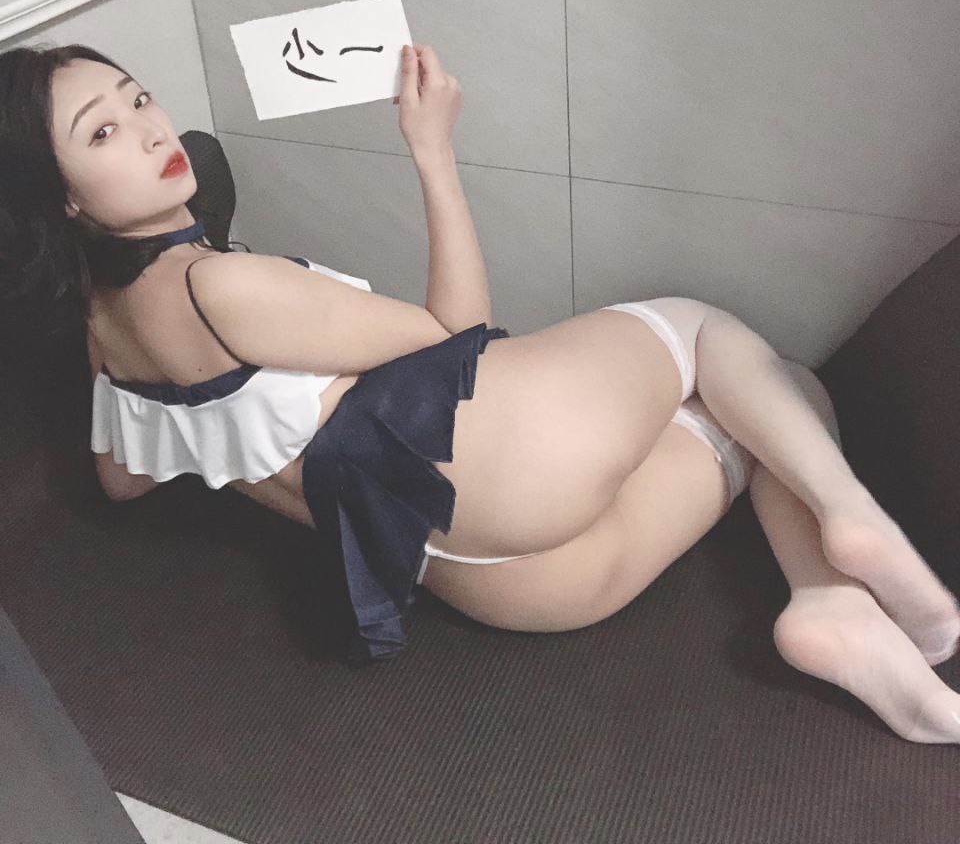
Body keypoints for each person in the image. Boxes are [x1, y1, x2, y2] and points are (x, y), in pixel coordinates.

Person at [0, 38, 958, 745]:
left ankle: (828, 601)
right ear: (64, 196)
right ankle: (851, 515)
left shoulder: (104, 334)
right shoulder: (224, 286)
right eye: (104, 131)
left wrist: (243, 434)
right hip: (506, 455)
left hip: (494, 583)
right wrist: (432, 150)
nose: (153, 131)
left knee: (782, 399)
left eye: (140, 98)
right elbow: (458, 333)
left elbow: (124, 480)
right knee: (707, 329)